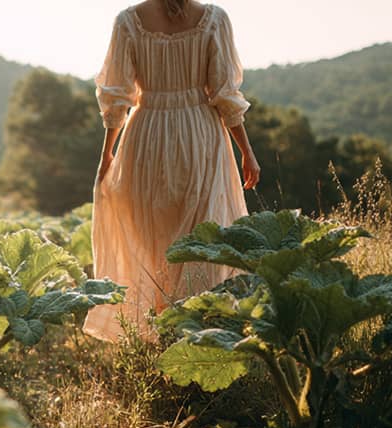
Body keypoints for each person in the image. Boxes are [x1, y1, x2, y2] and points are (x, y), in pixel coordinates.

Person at [82, 0, 260, 342]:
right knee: (204, 238)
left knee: (154, 241)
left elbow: (116, 95)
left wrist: (107, 153)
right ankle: (198, 337)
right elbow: (225, 93)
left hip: (146, 137)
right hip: (200, 136)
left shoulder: (128, 22)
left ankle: (162, 338)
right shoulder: (213, 19)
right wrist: (246, 152)